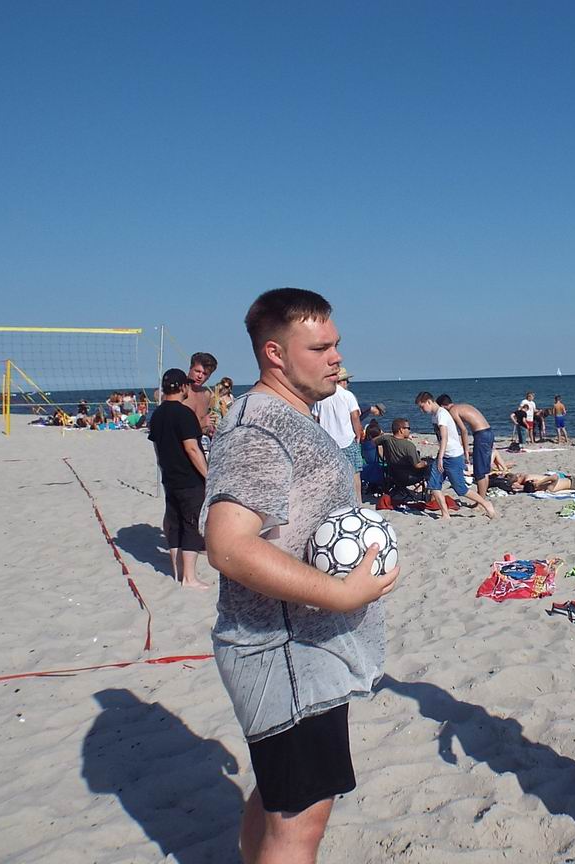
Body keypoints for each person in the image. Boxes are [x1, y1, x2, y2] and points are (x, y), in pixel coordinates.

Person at [201, 288, 398, 864]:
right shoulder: (260, 427)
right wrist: (339, 593)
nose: (337, 357)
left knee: (278, 802)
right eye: (320, 348)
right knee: (299, 827)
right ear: (275, 353)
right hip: (286, 657)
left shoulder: (289, 417)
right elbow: (228, 545)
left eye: (336, 344)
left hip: (300, 654)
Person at [147, 368, 209, 590]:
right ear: (183, 387)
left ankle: (178, 572)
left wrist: (163, 467)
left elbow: (157, 447)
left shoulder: (157, 414)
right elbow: (192, 449)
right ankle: (189, 578)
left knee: (175, 524)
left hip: (169, 477)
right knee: (191, 525)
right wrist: (208, 476)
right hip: (188, 479)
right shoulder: (184, 413)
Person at [415, 392, 496, 520]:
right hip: (443, 454)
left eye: (422, 406)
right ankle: (445, 514)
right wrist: (440, 456)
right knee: (434, 484)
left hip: (453, 455)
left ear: (429, 402)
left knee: (460, 489)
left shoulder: (442, 414)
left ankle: (485, 503)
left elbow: (445, 437)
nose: (421, 410)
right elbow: (441, 439)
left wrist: (440, 457)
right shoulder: (434, 416)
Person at [312, 368, 365, 502]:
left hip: (327, 442)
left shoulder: (321, 397)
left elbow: (315, 419)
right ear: (342, 381)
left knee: (331, 474)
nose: (348, 384)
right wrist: (358, 434)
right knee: (354, 473)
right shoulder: (347, 395)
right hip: (346, 440)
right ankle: (357, 502)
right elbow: (355, 416)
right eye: (347, 381)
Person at [436, 395, 496, 500]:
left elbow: (463, 430)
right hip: (488, 432)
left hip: (481, 434)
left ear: (443, 406)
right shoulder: (462, 406)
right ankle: (482, 499)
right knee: (484, 471)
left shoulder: (453, 411)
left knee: (479, 472)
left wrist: (466, 451)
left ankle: (480, 502)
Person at [376, 418, 430, 488]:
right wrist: (426, 463)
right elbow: (417, 465)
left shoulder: (386, 439)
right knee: (431, 466)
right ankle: (432, 490)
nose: (409, 430)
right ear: (401, 430)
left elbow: (371, 442)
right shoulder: (409, 446)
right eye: (408, 428)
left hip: (392, 475)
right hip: (407, 477)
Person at [184, 352, 219, 436]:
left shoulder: (207, 395)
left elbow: (202, 428)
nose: (200, 376)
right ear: (190, 368)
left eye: (205, 374)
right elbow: (173, 426)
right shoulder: (180, 391)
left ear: (209, 376)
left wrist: (209, 430)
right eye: (197, 371)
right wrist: (201, 424)